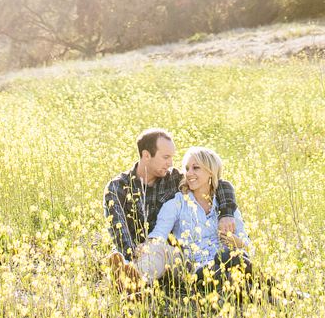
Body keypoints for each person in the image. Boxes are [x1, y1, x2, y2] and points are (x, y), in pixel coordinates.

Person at [103, 127, 236, 287]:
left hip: (172, 256)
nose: (171, 163)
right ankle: (134, 280)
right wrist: (134, 254)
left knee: (158, 251)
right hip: (140, 254)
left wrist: (227, 213)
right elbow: (120, 234)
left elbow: (217, 183)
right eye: (166, 157)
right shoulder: (118, 188)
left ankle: (132, 283)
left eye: (171, 157)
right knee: (149, 255)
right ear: (147, 155)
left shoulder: (173, 178)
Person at [148, 146, 254, 296]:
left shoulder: (225, 207)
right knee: (228, 276)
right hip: (200, 270)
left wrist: (238, 243)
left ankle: (277, 293)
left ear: (211, 172)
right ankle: (274, 296)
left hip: (231, 262)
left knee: (226, 255)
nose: (189, 173)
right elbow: (159, 234)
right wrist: (148, 247)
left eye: (195, 168)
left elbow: (248, 246)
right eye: (187, 168)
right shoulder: (177, 204)